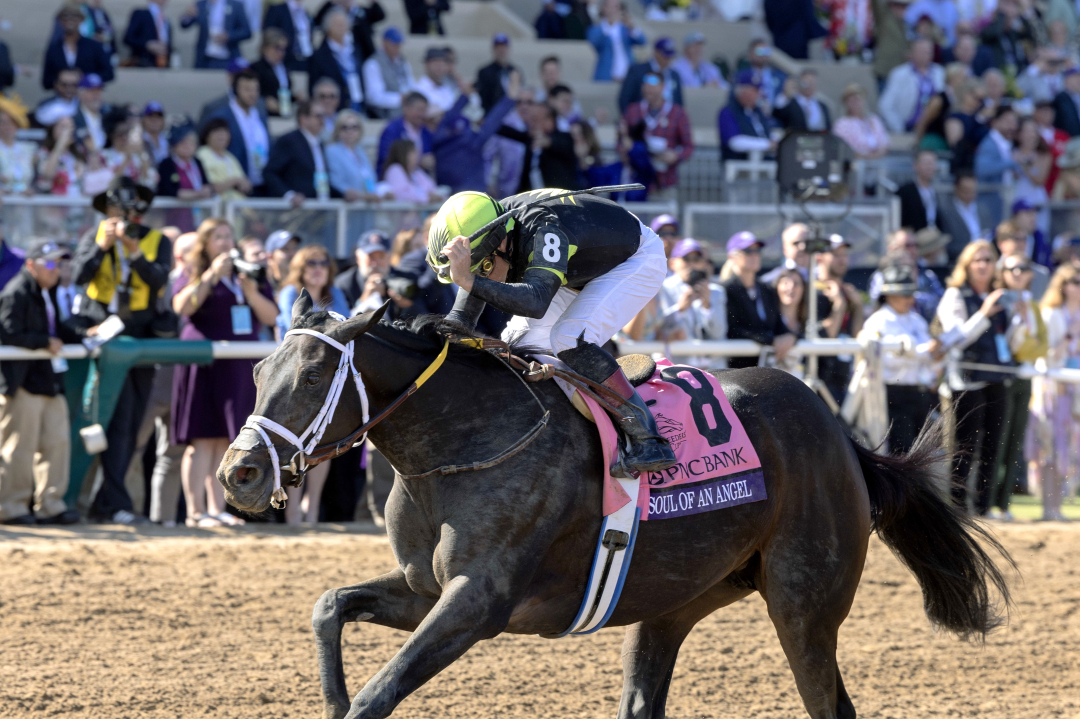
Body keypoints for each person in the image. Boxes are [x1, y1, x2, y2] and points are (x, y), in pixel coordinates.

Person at [430, 188, 677, 478]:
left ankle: (647, 437)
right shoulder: (495, 228)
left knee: (568, 338)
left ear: (500, 243)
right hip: (578, 262)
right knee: (513, 346)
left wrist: (470, 280)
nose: (480, 276)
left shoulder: (544, 228)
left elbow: (534, 302)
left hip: (633, 260)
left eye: (482, 267)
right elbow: (461, 321)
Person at [70, 177, 172, 524]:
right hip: (105, 340)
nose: (121, 217)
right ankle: (110, 502)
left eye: (127, 209)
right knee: (114, 422)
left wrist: (134, 252)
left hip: (141, 339)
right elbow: (78, 277)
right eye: (115, 210)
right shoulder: (94, 238)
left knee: (131, 421)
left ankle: (110, 500)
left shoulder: (157, 241)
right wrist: (102, 247)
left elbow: (159, 281)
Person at [171, 218, 277, 527]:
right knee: (201, 440)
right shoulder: (195, 272)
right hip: (203, 363)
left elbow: (271, 315)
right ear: (205, 244)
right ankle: (195, 511)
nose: (225, 243)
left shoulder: (248, 271)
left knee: (226, 440)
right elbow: (182, 307)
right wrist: (209, 277)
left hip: (238, 364)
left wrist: (251, 290)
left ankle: (218, 509)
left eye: (228, 236)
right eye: (217, 237)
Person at [0, 240, 82, 525]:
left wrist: (83, 333)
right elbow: (8, 334)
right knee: (19, 448)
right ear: (30, 265)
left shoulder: (50, 293)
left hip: (48, 380)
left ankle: (51, 504)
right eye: (49, 264)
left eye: (58, 264)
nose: (55, 270)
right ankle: (12, 506)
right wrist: (44, 342)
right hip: (22, 382)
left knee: (57, 444)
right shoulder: (16, 292)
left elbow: (58, 328)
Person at [273, 246, 349, 523]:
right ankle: (292, 509)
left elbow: (345, 324)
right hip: (295, 377)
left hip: (327, 379)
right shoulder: (290, 293)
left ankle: (312, 508)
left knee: (320, 445)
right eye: (311, 263)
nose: (318, 268)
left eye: (323, 262)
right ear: (300, 268)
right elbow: (288, 325)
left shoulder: (335, 293)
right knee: (295, 444)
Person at [936, 240, 1012, 515]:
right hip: (966, 382)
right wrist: (983, 313)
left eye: (988, 260)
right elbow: (956, 338)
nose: (983, 266)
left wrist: (1021, 316)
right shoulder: (955, 295)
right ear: (966, 265)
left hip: (996, 377)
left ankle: (983, 507)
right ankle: (957, 508)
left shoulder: (997, 297)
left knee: (994, 445)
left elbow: (1006, 341)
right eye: (977, 260)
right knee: (965, 447)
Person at [857, 257, 942, 455]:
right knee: (900, 450)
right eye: (903, 294)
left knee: (921, 451)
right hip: (893, 393)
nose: (909, 299)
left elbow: (927, 354)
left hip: (919, 391)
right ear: (889, 295)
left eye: (910, 294)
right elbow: (884, 360)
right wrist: (921, 352)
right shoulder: (877, 322)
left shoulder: (916, 320)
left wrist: (935, 353)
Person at [987, 251, 1046, 521]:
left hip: (1025, 376)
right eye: (1013, 269)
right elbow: (1011, 346)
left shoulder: (1031, 303)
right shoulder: (999, 300)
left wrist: (1027, 345)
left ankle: (1004, 503)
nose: (1019, 273)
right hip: (1004, 377)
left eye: (1023, 268)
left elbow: (1041, 343)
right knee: (998, 441)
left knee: (1015, 441)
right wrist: (1020, 326)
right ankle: (989, 502)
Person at [1028, 264, 1080, 520]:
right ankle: (1048, 508)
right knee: (1048, 448)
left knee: (1068, 449)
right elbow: (1046, 356)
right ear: (1063, 284)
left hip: (1074, 392)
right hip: (1052, 390)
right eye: (1075, 281)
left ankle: (1058, 508)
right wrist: (1070, 337)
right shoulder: (1050, 313)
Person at [433, 72, 520, 193]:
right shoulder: (469, 139)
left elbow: (449, 119)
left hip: (460, 195)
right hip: (465, 195)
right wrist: (510, 98)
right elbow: (493, 120)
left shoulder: (442, 137)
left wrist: (464, 96)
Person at [722, 231, 796, 370]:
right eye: (748, 251)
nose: (755, 255)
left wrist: (790, 336)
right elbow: (732, 330)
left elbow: (778, 324)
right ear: (732, 257)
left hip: (767, 369)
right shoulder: (725, 289)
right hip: (738, 370)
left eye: (758, 250)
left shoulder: (766, 289)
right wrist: (770, 340)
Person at [619, 73, 693, 201]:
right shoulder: (633, 111)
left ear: (663, 87)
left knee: (663, 219)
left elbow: (689, 146)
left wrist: (675, 156)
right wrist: (627, 150)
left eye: (653, 86)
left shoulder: (677, 113)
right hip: (636, 183)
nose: (648, 89)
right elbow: (619, 142)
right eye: (646, 85)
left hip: (665, 181)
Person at [656, 238, 727, 368]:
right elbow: (656, 331)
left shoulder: (716, 291)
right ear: (672, 263)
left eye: (697, 259)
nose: (692, 264)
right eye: (686, 259)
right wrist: (680, 309)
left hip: (713, 369)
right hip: (676, 369)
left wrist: (707, 305)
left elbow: (719, 333)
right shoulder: (660, 289)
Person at [204, 68, 270, 192]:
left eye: (255, 89)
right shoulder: (221, 116)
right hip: (234, 187)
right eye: (247, 89)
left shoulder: (260, 114)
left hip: (262, 184)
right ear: (236, 90)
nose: (252, 94)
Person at [264, 101, 342, 204]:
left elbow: (320, 177)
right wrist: (289, 195)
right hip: (297, 211)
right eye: (318, 116)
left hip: (320, 207)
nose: (322, 120)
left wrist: (343, 195)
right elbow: (270, 173)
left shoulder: (320, 144)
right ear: (304, 119)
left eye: (324, 116)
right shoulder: (290, 141)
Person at [878, 38, 945, 134]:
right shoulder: (899, 74)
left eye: (928, 52)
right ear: (912, 53)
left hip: (934, 129)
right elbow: (885, 105)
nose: (925, 55)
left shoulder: (940, 72)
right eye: (921, 51)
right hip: (908, 127)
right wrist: (899, 128)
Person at [43, 4, 113, 92]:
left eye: (75, 17)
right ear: (60, 21)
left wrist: (85, 78)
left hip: (88, 96)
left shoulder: (94, 46)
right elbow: (46, 81)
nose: (70, 20)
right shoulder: (54, 49)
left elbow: (109, 73)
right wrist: (62, 78)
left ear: (81, 20)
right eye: (65, 17)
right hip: (62, 99)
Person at [308, 10, 364, 112]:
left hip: (357, 103)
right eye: (337, 24)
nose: (341, 27)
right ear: (328, 28)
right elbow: (313, 85)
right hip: (334, 108)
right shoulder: (320, 55)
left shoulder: (355, 50)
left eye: (344, 24)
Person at [975, 105, 1021, 227]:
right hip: (988, 201)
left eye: (1014, 122)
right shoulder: (989, 143)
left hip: (1002, 201)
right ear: (995, 122)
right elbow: (982, 169)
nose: (1012, 126)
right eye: (1008, 121)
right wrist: (1012, 163)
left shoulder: (1008, 144)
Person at [34, 115, 101, 197]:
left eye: (71, 127)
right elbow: (48, 174)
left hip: (77, 206)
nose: (68, 131)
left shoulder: (78, 154)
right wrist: (61, 143)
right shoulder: (43, 153)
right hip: (52, 205)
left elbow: (95, 176)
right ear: (53, 129)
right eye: (63, 127)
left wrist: (92, 150)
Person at [718, 69, 775, 162]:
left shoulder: (757, 112)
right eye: (755, 90)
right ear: (742, 91)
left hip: (764, 161)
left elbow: (765, 134)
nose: (759, 94)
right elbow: (734, 142)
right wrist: (767, 144)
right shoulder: (727, 112)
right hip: (739, 164)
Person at [180, 0, 252, 70]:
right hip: (205, 60)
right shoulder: (201, 5)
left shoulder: (236, 5)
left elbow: (247, 32)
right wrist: (188, 16)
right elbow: (184, 25)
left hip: (228, 58)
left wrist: (229, 36)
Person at [326, 109, 380, 200]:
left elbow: (370, 178)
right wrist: (359, 195)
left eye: (354, 127)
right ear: (338, 129)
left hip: (366, 207)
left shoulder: (360, 152)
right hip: (345, 207)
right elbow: (335, 181)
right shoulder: (332, 151)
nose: (349, 131)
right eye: (345, 127)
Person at [362, 27, 415, 119]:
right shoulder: (373, 64)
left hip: (407, 107)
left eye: (399, 44)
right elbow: (374, 97)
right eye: (394, 44)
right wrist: (400, 99)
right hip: (385, 112)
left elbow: (411, 84)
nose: (397, 47)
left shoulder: (403, 62)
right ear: (385, 43)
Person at [586, 0, 644, 83]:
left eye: (617, 7)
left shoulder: (624, 28)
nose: (615, 10)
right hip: (606, 77)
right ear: (603, 8)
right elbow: (595, 43)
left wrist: (632, 27)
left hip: (627, 77)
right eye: (612, 6)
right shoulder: (597, 28)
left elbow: (642, 41)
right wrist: (610, 26)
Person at [619, 38, 683, 113]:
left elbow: (679, 102)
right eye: (665, 55)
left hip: (671, 120)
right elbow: (625, 99)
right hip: (642, 119)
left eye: (670, 56)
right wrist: (633, 120)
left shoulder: (674, 75)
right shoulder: (637, 71)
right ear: (656, 53)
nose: (668, 59)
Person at [376, 92, 434, 175]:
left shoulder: (426, 132)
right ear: (406, 108)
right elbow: (386, 158)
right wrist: (418, 161)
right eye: (419, 110)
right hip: (394, 178)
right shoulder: (392, 130)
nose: (422, 115)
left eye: (425, 111)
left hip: (419, 180)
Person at [101, 108, 158, 189]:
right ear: (111, 135)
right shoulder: (103, 155)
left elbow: (150, 182)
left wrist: (141, 154)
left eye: (126, 133)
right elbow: (109, 184)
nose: (124, 137)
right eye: (120, 134)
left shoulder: (136, 156)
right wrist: (126, 160)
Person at [195, 118, 251, 200]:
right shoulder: (201, 154)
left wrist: (245, 184)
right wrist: (235, 181)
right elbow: (212, 187)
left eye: (224, 132)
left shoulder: (230, 157)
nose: (221, 135)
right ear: (207, 135)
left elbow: (244, 183)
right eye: (216, 132)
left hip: (238, 206)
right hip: (214, 207)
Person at [313, 0, 385, 62]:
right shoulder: (332, 12)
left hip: (364, 54)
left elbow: (380, 15)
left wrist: (373, 1)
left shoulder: (361, 12)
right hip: (339, 56)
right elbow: (317, 21)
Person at [832, 83, 889, 160]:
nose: (855, 104)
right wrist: (866, 156)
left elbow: (884, 142)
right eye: (851, 101)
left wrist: (877, 154)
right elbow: (843, 149)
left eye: (858, 100)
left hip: (878, 162)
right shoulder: (842, 123)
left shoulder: (874, 119)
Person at [336, 230, 391, 308]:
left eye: (381, 257)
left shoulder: (403, 278)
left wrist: (404, 304)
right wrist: (364, 299)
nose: (375, 263)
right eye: (371, 257)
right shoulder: (344, 284)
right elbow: (342, 317)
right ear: (358, 258)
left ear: (389, 258)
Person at [937, 172, 985, 260]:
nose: (969, 194)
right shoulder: (946, 210)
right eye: (966, 190)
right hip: (957, 259)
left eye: (972, 190)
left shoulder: (982, 209)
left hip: (981, 257)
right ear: (957, 188)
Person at [157, 124, 212, 200]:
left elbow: (206, 184)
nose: (187, 146)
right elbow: (168, 190)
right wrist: (197, 194)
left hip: (197, 210)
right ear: (175, 145)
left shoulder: (197, 162)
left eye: (191, 143)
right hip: (172, 210)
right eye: (183, 142)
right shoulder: (166, 164)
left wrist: (207, 190)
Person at [979, 0, 1034, 73]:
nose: (1010, 10)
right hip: (998, 72)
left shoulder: (1013, 33)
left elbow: (1030, 35)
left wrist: (1023, 12)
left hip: (1017, 71)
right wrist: (1002, 14)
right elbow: (994, 33)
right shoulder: (988, 30)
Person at [382, 138, 441, 203]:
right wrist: (426, 197)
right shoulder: (395, 169)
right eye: (413, 152)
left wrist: (434, 196)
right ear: (404, 154)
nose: (417, 155)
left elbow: (432, 188)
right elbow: (401, 194)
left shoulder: (416, 172)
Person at [251, 28, 294, 117]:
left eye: (284, 49)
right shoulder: (256, 68)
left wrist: (295, 98)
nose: (281, 53)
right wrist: (264, 101)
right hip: (264, 114)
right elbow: (252, 91)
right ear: (266, 47)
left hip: (283, 112)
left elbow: (283, 91)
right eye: (277, 48)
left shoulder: (284, 69)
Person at [896, 149, 942, 232]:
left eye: (932, 163)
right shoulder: (904, 192)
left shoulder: (939, 193)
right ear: (915, 166)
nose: (929, 167)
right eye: (926, 163)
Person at [262, 0, 313, 72]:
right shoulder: (277, 9)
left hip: (307, 60)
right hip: (286, 61)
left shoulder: (305, 12)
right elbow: (269, 35)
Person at [475, 34, 519, 114]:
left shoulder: (515, 70)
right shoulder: (484, 71)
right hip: (491, 113)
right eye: (498, 47)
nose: (501, 50)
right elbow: (482, 96)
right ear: (493, 49)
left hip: (511, 115)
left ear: (508, 49)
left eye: (503, 47)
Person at [0, 96, 35, 195]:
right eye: (3, 123)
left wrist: (22, 189)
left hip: (24, 203)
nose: (7, 127)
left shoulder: (27, 149)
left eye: (11, 123)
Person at [124, 0, 172, 68]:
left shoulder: (166, 20)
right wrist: (147, 45)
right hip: (143, 65)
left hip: (162, 65)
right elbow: (128, 38)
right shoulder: (140, 14)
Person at [416, 47, 458, 112]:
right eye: (436, 63)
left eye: (442, 64)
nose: (440, 67)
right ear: (427, 65)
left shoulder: (446, 87)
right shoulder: (420, 90)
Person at [74, 72, 107, 152]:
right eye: (91, 91)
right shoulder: (73, 117)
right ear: (80, 94)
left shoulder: (108, 114)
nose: (96, 95)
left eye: (99, 91)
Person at [1052, 66, 1080, 137]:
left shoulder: (1077, 97)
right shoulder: (1061, 98)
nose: (1079, 80)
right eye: (1076, 77)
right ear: (1066, 80)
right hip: (1070, 140)